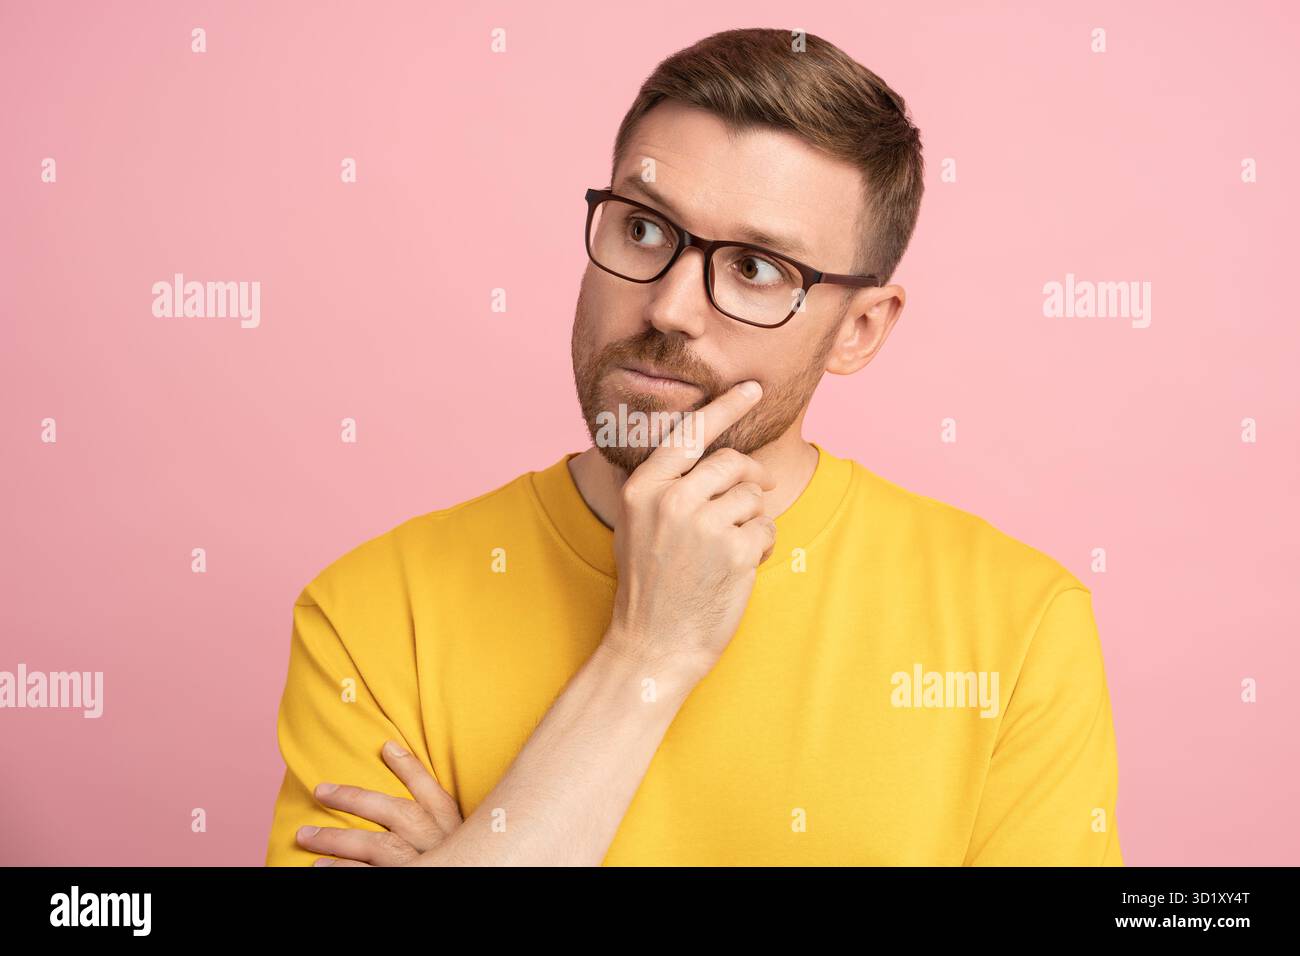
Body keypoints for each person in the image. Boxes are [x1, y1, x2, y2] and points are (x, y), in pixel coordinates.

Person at [265, 27, 1122, 866]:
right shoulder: (374, 612)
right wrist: (650, 653)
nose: (672, 307)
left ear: (859, 330)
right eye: (643, 229)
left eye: (755, 267)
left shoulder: (1018, 625)